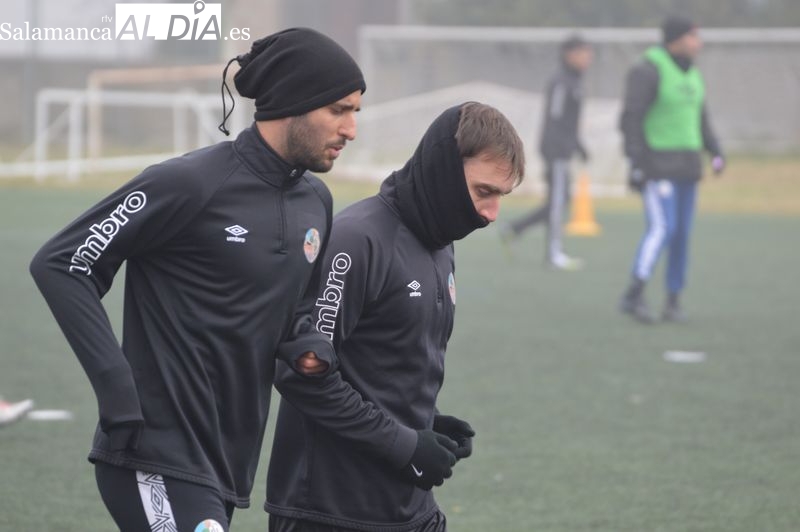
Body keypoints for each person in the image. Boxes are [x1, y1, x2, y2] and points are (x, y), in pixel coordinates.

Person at [29, 27, 364, 532]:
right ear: (294, 103)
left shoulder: (316, 201)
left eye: (356, 111)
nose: (351, 129)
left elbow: (300, 306)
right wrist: (115, 384)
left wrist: (309, 343)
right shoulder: (189, 183)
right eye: (339, 110)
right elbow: (62, 262)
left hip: (227, 461)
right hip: (154, 451)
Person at [265, 102, 525, 532]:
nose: (491, 214)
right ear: (444, 168)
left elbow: (380, 360)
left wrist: (427, 420)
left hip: (410, 510)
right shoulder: (356, 240)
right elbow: (300, 374)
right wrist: (403, 442)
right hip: (331, 513)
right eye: (484, 192)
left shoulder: (441, 243)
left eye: (501, 196)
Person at [618, 16, 725, 323]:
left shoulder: (693, 75)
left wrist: (716, 151)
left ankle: (673, 300)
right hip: (658, 167)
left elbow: (700, 120)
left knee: (682, 235)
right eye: (694, 37)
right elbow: (631, 119)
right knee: (663, 228)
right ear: (677, 39)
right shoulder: (647, 70)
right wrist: (637, 163)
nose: (698, 43)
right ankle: (634, 294)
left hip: (688, 168)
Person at [502, 35, 593, 270]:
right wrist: (563, 147)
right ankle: (553, 255)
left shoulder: (575, 81)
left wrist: (579, 145)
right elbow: (556, 118)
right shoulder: (561, 82)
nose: (587, 57)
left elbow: (570, 122)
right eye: (583, 52)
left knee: (560, 200)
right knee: (557, 201)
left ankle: (515, 229)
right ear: (569, 54)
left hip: (564, 148)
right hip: (556, 150)